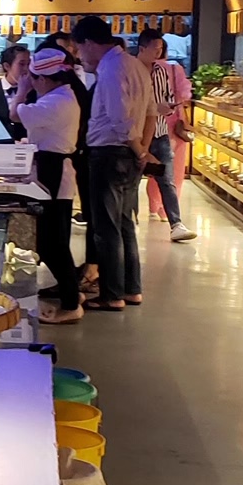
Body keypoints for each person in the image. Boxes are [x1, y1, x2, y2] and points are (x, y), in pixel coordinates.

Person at [74, 17, 155, 312]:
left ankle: (111, 294)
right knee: (124, 224)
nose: (79, 56)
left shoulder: (111, 69)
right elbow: (151, 112)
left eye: (79, 49)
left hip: (110, 154)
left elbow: (121, 119)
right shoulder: (135, 64)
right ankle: (132, 289)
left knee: (106, 228)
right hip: (129, 154)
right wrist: (142, 150)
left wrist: (138, 149)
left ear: (88, 43)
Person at [9, 48, 84, 324]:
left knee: (53, 243)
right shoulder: (60, 96)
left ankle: (71, 304)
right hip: (51, 170)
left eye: (32, 78)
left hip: (54, 172)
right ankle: (72, 292)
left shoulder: (56, 102)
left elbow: (14, 114)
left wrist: (21, 90)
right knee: (51, 240)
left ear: (43, 79)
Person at [137, 31, 193, 223]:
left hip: (161, 131)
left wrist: (168, 108)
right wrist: (154, 107)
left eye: (160, 49)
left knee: (166, 178)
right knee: (133, 180)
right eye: (155, 49)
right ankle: (133, 217)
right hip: (137, 134)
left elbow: (169, 96)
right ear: (142, 48)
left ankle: (175, 222)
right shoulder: (131, 70)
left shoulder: (162, 71)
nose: (158, 53)